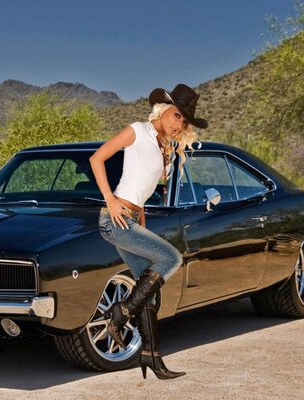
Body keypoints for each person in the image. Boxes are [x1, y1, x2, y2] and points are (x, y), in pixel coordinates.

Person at [89, 83, 207, 380]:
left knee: (150, 295)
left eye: (184, 121)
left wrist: (141, 222)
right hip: (114, 220)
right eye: (178, 116)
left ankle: (151, 357)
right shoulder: (137, 131)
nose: (179, 124)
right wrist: (111, 200)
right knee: (172, 258)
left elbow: (140, 191)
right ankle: (120, 313)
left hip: (131, 222)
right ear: (164, 109)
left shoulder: (161, 145)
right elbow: (97, 159)